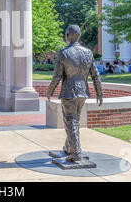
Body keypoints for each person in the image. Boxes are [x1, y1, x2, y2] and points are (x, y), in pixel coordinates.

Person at [47, 25, 103, 163]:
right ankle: (68, 147)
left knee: (70, 122)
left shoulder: (64, 53)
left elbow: (57, 76)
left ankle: (76, 153)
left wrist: (50, 91)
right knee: (74, 121)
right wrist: (99, 92)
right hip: (83, 92)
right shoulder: (88, 53)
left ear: (68, 35)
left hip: (69, 92)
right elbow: (96, 75)